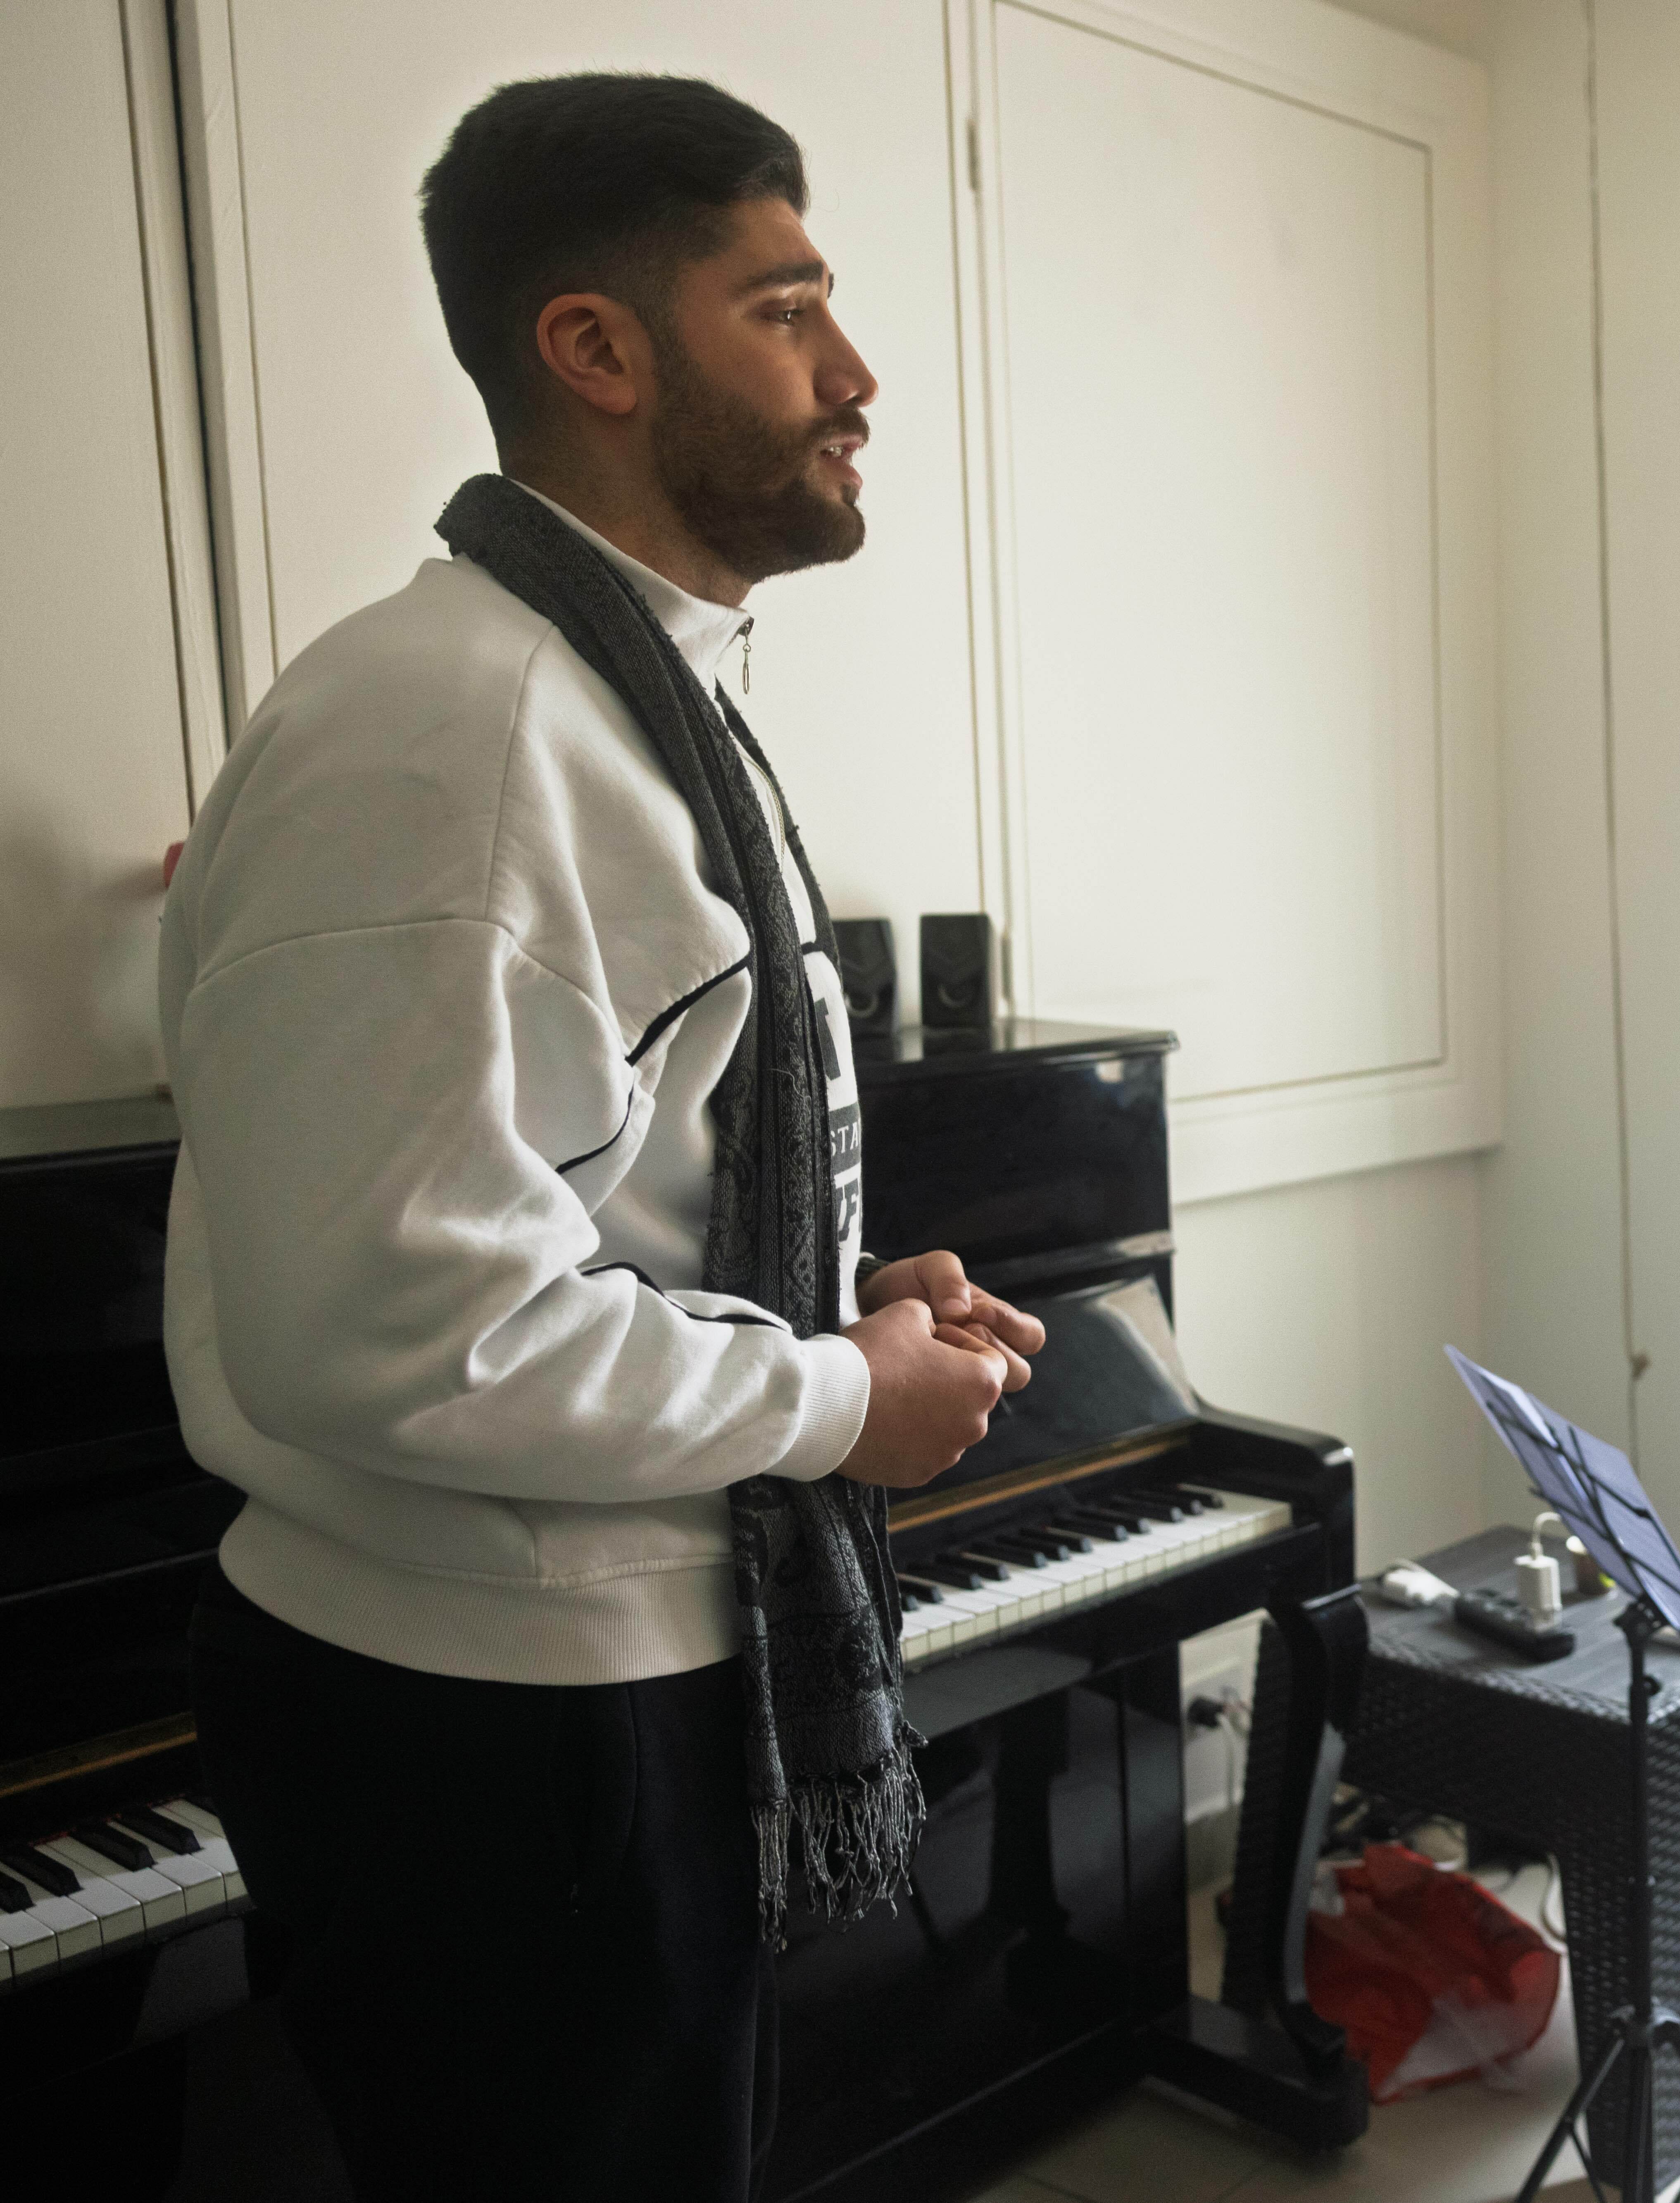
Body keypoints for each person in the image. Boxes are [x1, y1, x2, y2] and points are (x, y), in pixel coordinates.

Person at [158, 76, 1036, 2202]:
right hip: (505, 1728)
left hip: (574, 1689)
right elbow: (398, 1323)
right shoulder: (456, 733)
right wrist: (833, 1398)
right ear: (597, 349)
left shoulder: (616, 695)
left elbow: (585, 1189)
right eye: (786, 308)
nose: (855, 374)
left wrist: (822, 1303)